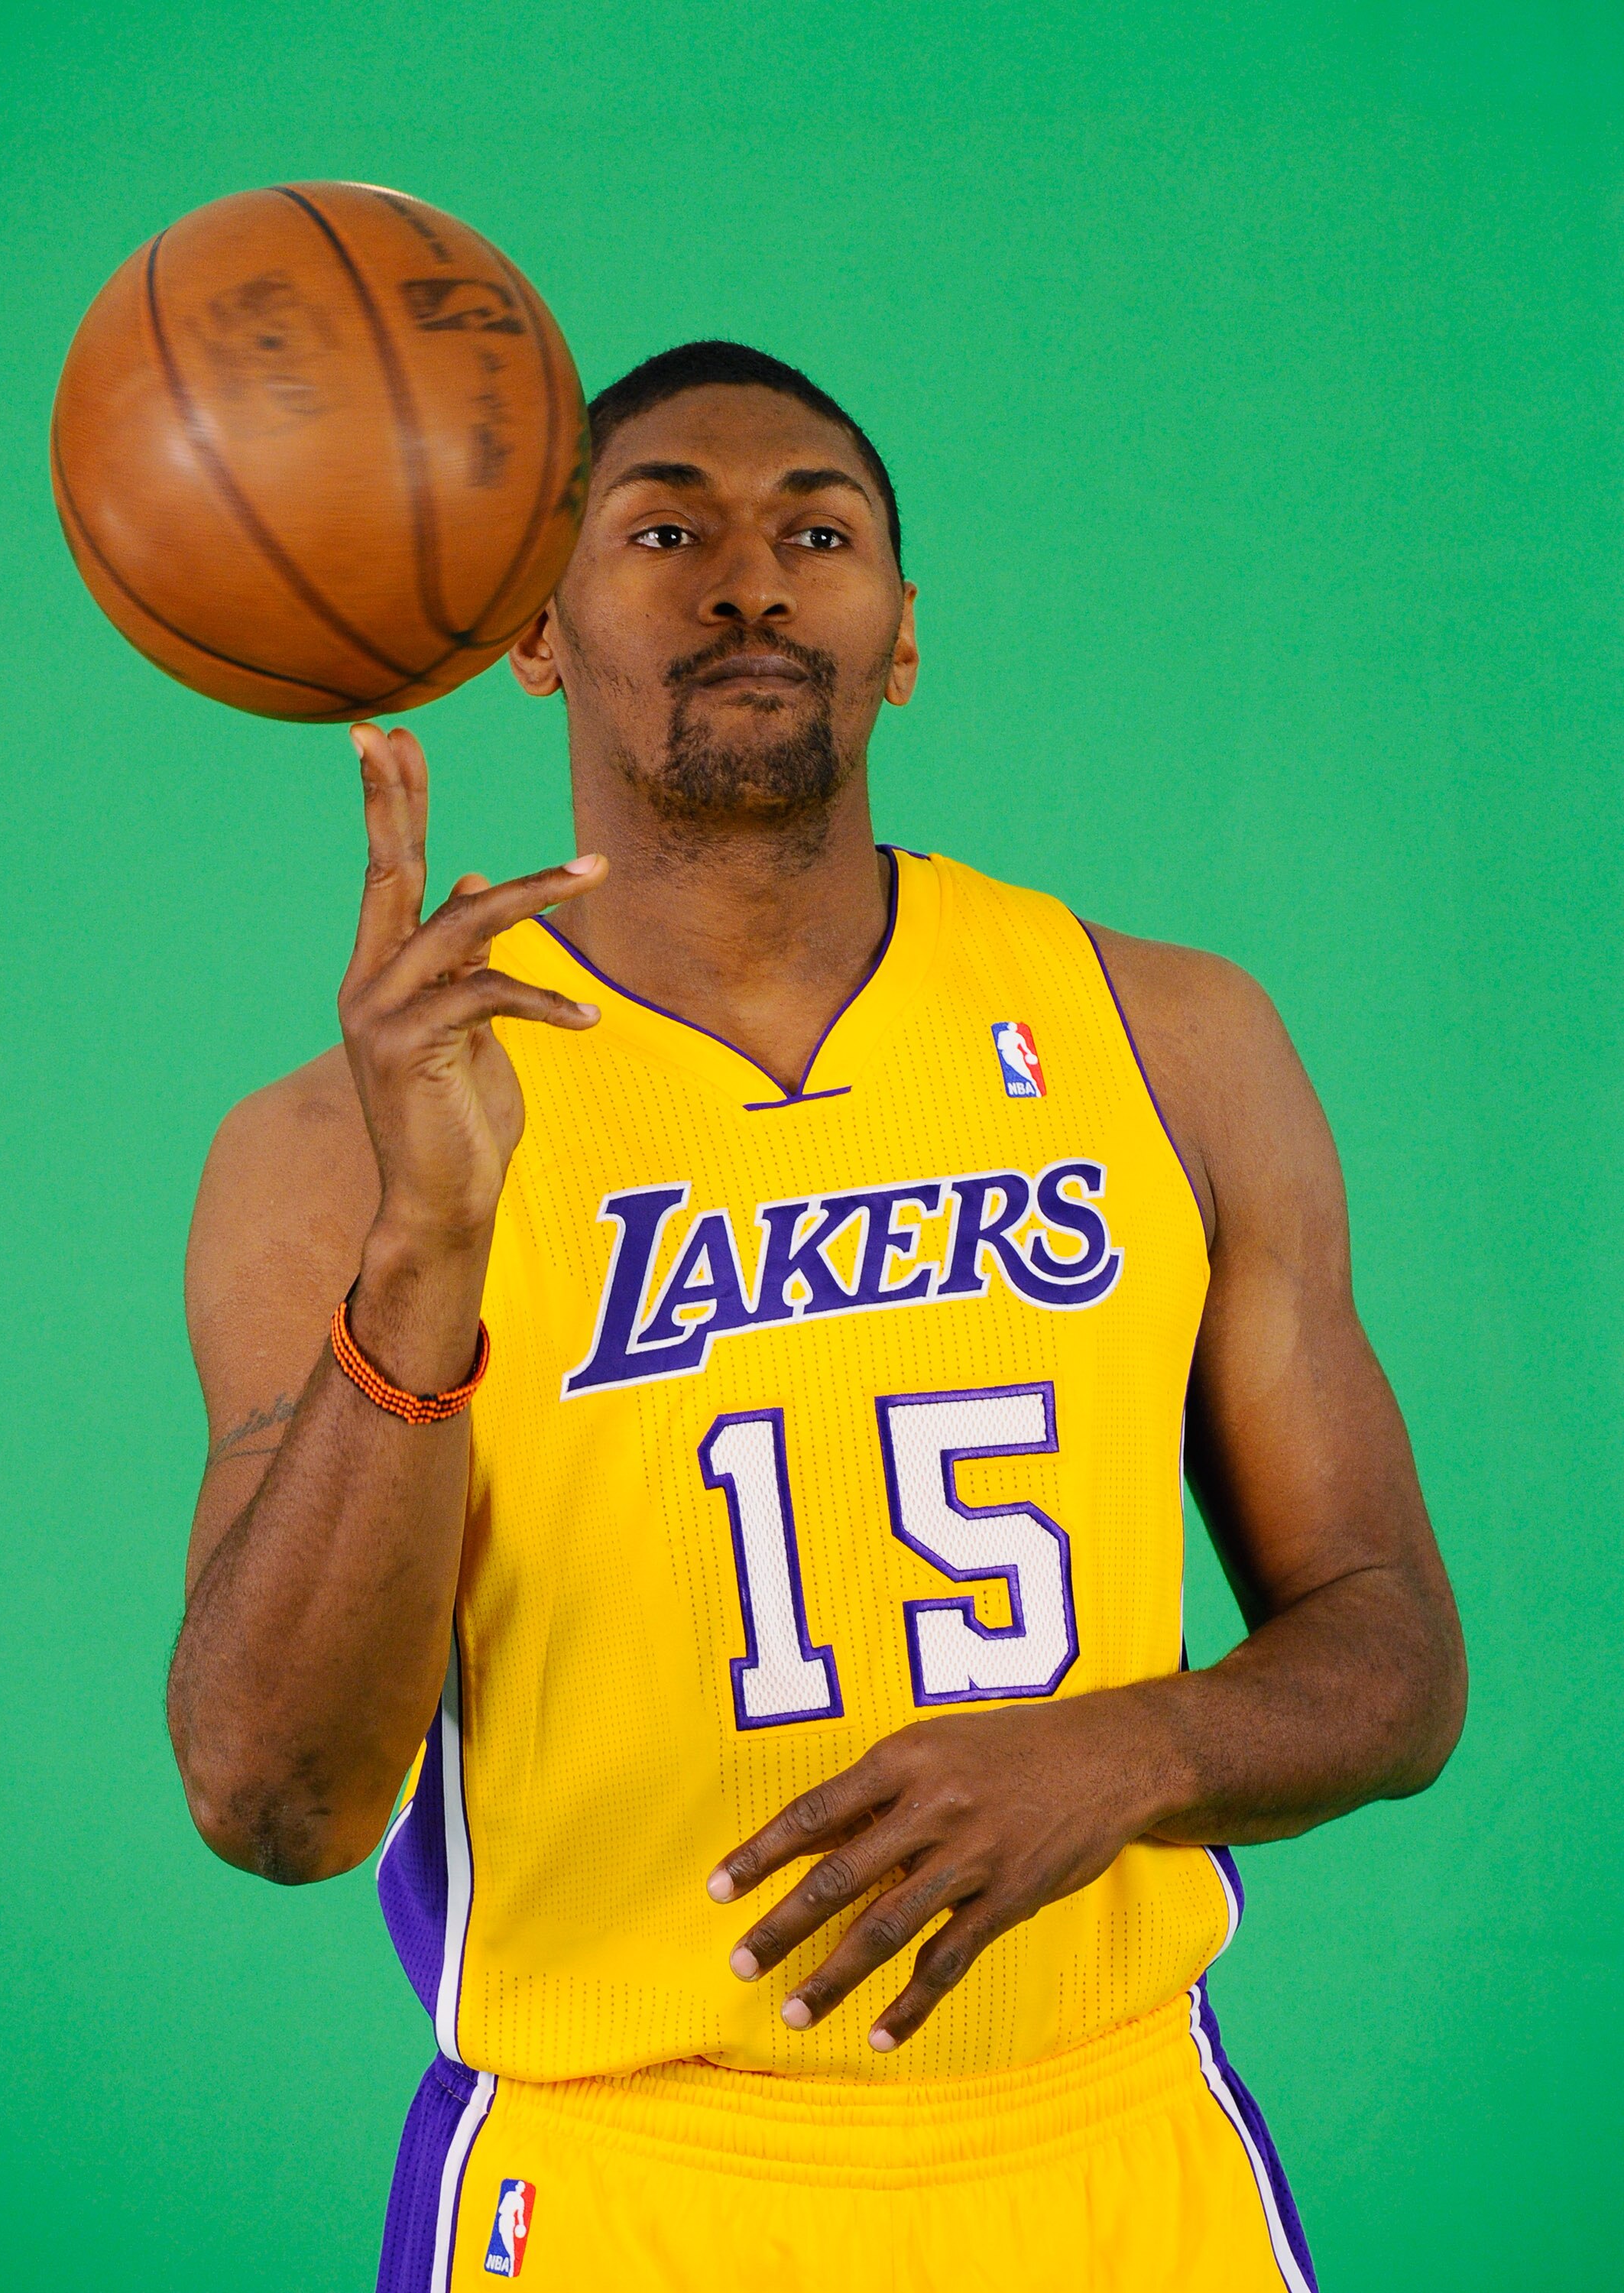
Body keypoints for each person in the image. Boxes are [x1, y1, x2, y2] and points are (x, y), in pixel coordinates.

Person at [168, 340, 1467, 2292]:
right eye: (664, 524)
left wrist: (1126, 1752)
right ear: (530, 632)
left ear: (902, 633)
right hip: (627, 2180)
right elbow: (273, 1799)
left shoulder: (1166, 1038)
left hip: (1121, 2150)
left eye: (819, 531)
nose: (751, 580)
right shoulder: (332, 1148)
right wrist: (426, 1254)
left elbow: (1393, 1660)